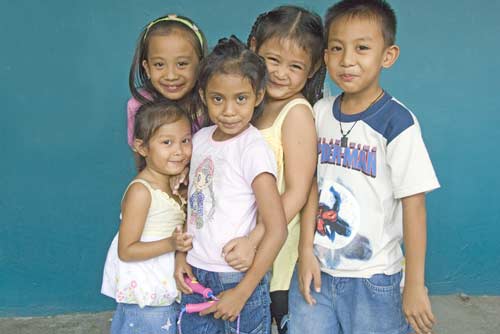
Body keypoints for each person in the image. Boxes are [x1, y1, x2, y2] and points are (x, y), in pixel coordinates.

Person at [289, 1, 440, 334]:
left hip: (375, 279)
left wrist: (415, 284)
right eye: (337, 49)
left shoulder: (397, 123)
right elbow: (310, 186)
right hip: (317, 272)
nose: (347, 60)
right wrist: (305, 253)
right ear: (325, 56)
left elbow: (415, 207)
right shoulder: (319, 112)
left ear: (388, 55)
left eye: (362, 48)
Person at [174, 36, 288, 334]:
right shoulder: (199, 141)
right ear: (203, 95)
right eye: (217, 99)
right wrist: (181, 257)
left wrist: (243, 292)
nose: (228, 110)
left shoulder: (252, 149)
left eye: (241, 98)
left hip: (237, 277)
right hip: (197, 274)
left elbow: (277, 229)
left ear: (258, 95)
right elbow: (190, 208)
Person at [222, 6, 325, 334]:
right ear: (253, 48)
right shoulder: (248, 104)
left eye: (295, 66)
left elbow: (298, 190)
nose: (281, 73)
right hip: (243, 244)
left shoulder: (296, 113)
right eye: (272, 60)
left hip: (273, 250)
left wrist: (255, 238)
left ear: (313, 68)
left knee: (275, 316)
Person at [101, 102, 194, 334]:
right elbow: (127, 250)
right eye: (167, 142)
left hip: (163, 292)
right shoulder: (141, 191)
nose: (179, 151)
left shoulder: (173, 186)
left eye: (185, 140)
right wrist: (171, 244)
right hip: (147, 295)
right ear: (142, 148)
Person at [127, 14, 208, 148]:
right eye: (159, 65)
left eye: (182, 64)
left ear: (200, 64)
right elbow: (141, 159)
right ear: (147, 68)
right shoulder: (138, 106)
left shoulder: (211, 103)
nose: (171, 76)